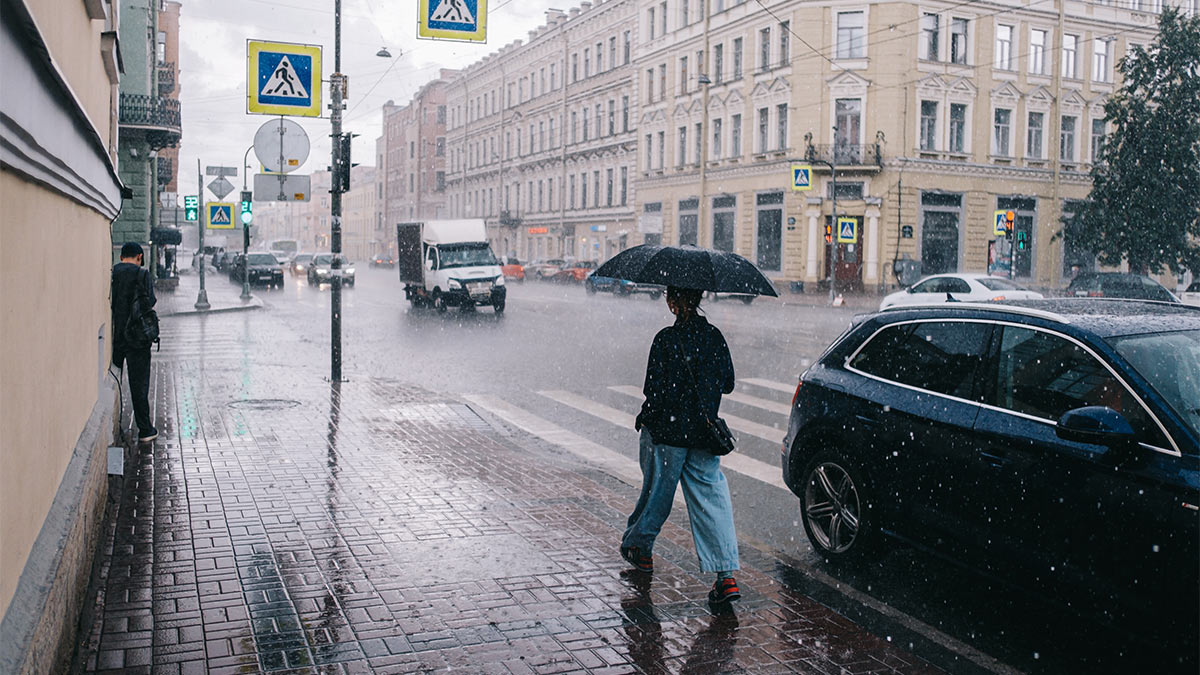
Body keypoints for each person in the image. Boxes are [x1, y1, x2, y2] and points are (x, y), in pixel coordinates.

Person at [621, 286, 742, 604]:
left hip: (670, 434)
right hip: (704, 434)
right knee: (712, 501)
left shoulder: (666, 339)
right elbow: (728, 384)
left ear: (674, 302)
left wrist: (648, 418)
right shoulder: (714, 337)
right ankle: (726, 577)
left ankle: (640, 548)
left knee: (658, 493)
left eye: (668, 296)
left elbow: (653, 391)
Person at [111, 242, 158, 443]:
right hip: (137, 337)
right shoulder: (142, 274)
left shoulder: (113, 273)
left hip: (116, 337)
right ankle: (145, 429)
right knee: (139, 385)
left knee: (113, 379)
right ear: (139, 256)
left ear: (122, 256)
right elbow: (150, 301)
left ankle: (114, 423)